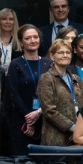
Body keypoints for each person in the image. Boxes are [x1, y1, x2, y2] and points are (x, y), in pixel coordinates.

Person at [36, 39, 83, 146]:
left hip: (79, 137)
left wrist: (81, 128)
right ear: (52, 56)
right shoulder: (46, 78)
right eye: (60, 52)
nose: (65, 55)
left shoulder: (76, 79)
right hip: (56, 138)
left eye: (68, 52)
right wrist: (73, 128)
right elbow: (49, 110)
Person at [8, 25, 49, 154]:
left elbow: (54, 93)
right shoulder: (15, 64)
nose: (32, 40)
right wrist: (28, 117)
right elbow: (12, 92)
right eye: (28, 38)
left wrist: (38, 112)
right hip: (22, 121)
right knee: (23, 161)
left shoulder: (48, 63)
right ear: (21, 42)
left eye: (35, 37)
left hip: (44, 119)